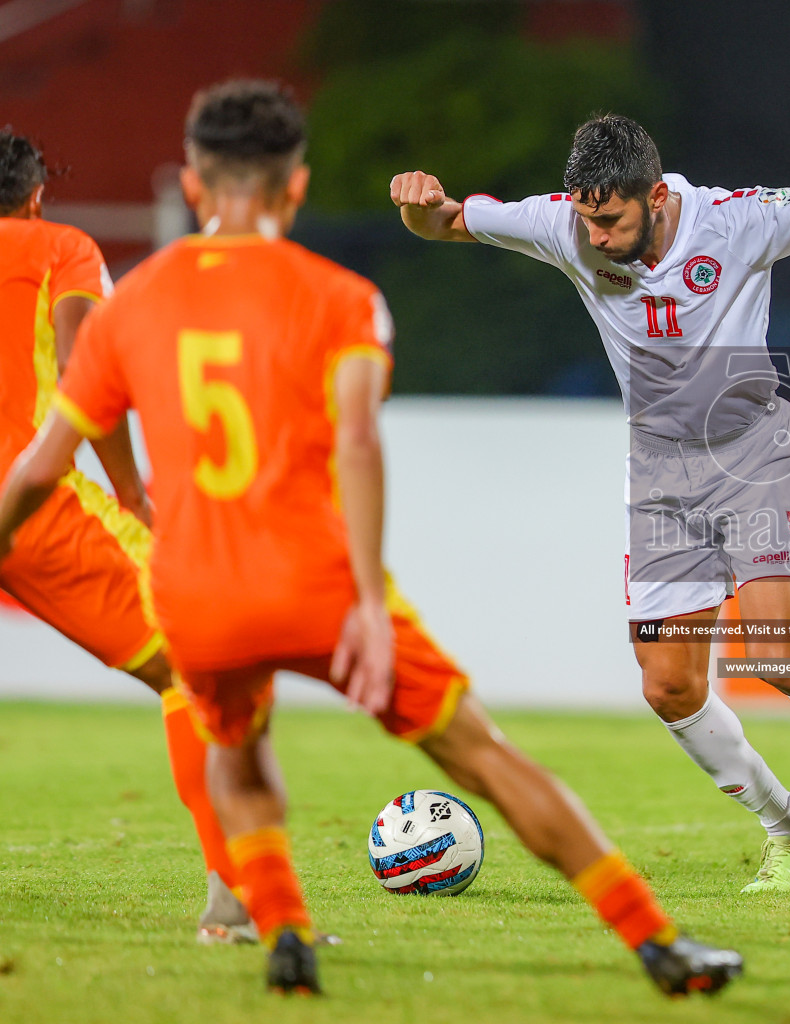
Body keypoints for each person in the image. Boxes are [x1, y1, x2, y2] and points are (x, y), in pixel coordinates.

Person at [0, 81, 741, 996]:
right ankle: (655, 940)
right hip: (313, 580)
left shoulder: (134, 303)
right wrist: (366, 602)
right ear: (296, 188)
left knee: (232, 745)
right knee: (485, 757)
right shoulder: (341, 298)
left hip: (197, 593)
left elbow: (37, 467)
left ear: (193, 187)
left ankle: (281, 928)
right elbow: (355, 443)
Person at [390, 117, 790, 891]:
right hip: (660, 471)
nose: (596, 237)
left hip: (752, 452)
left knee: (777, 655)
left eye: (611, 220)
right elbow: (447, 221)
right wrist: (415, 203)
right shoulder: (565, 223)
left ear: (657, 197)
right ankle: (789, 828)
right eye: (587, 219)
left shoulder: (735, 220)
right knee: (668, 685)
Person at [0, 128, 255, 943]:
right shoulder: (58, 247)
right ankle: (235, 901)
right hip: (34, 504)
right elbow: (86, 365)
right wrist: (131, 491)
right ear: (36, 195)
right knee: (195, 661)